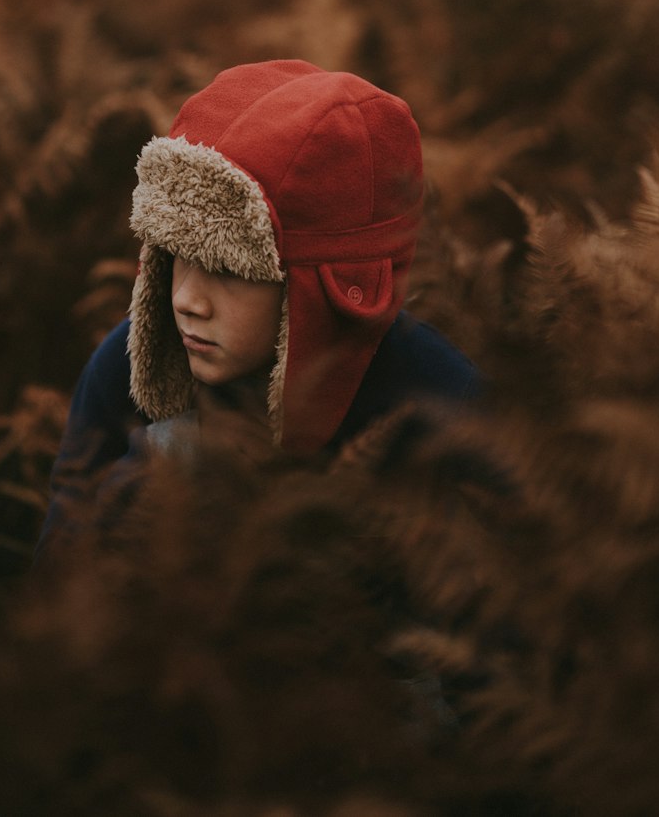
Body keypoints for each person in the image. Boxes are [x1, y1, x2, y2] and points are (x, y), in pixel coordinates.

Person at [35, 59, 480, 558]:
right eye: (178, 256)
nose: (185, 300)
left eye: (228, 270)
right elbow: (55, 588)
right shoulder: (123, 373)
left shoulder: (441, 404)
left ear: (320, 290)